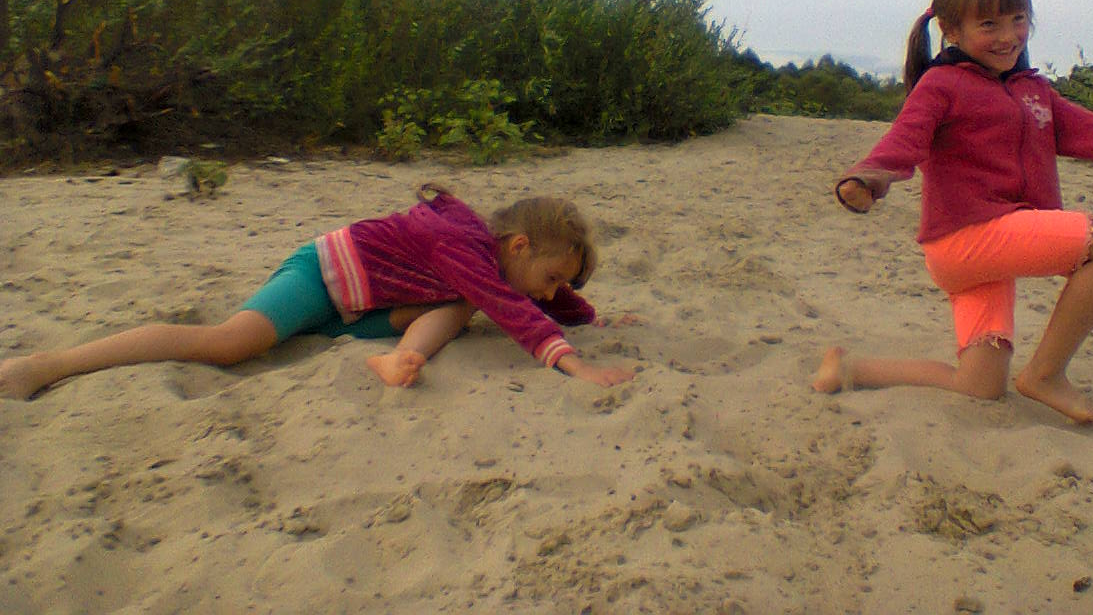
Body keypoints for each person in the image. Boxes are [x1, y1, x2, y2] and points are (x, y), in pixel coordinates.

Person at [810, 0, 1093, 424]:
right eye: (989, 24)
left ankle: (849, 368)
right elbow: (905, 139)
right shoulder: (941, 84)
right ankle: (1046, 374)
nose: (1008, 36)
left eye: (1018, 19)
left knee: (979, 386)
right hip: (967, 236)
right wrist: (870, 176)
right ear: (951, 30)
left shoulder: (1033, 90)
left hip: (987, 253)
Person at [0, 185, 635, 399]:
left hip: (369, 310)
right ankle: (46, 365)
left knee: (461, 305)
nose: (552, 295)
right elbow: (516, 309)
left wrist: (588, 318)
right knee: (229, 344)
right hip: (325, 278)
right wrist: (572, 363)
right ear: (517, 246)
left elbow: (537, 299)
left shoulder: (499, 263)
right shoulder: (461, 245)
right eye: (553, 278)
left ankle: (398, 359)